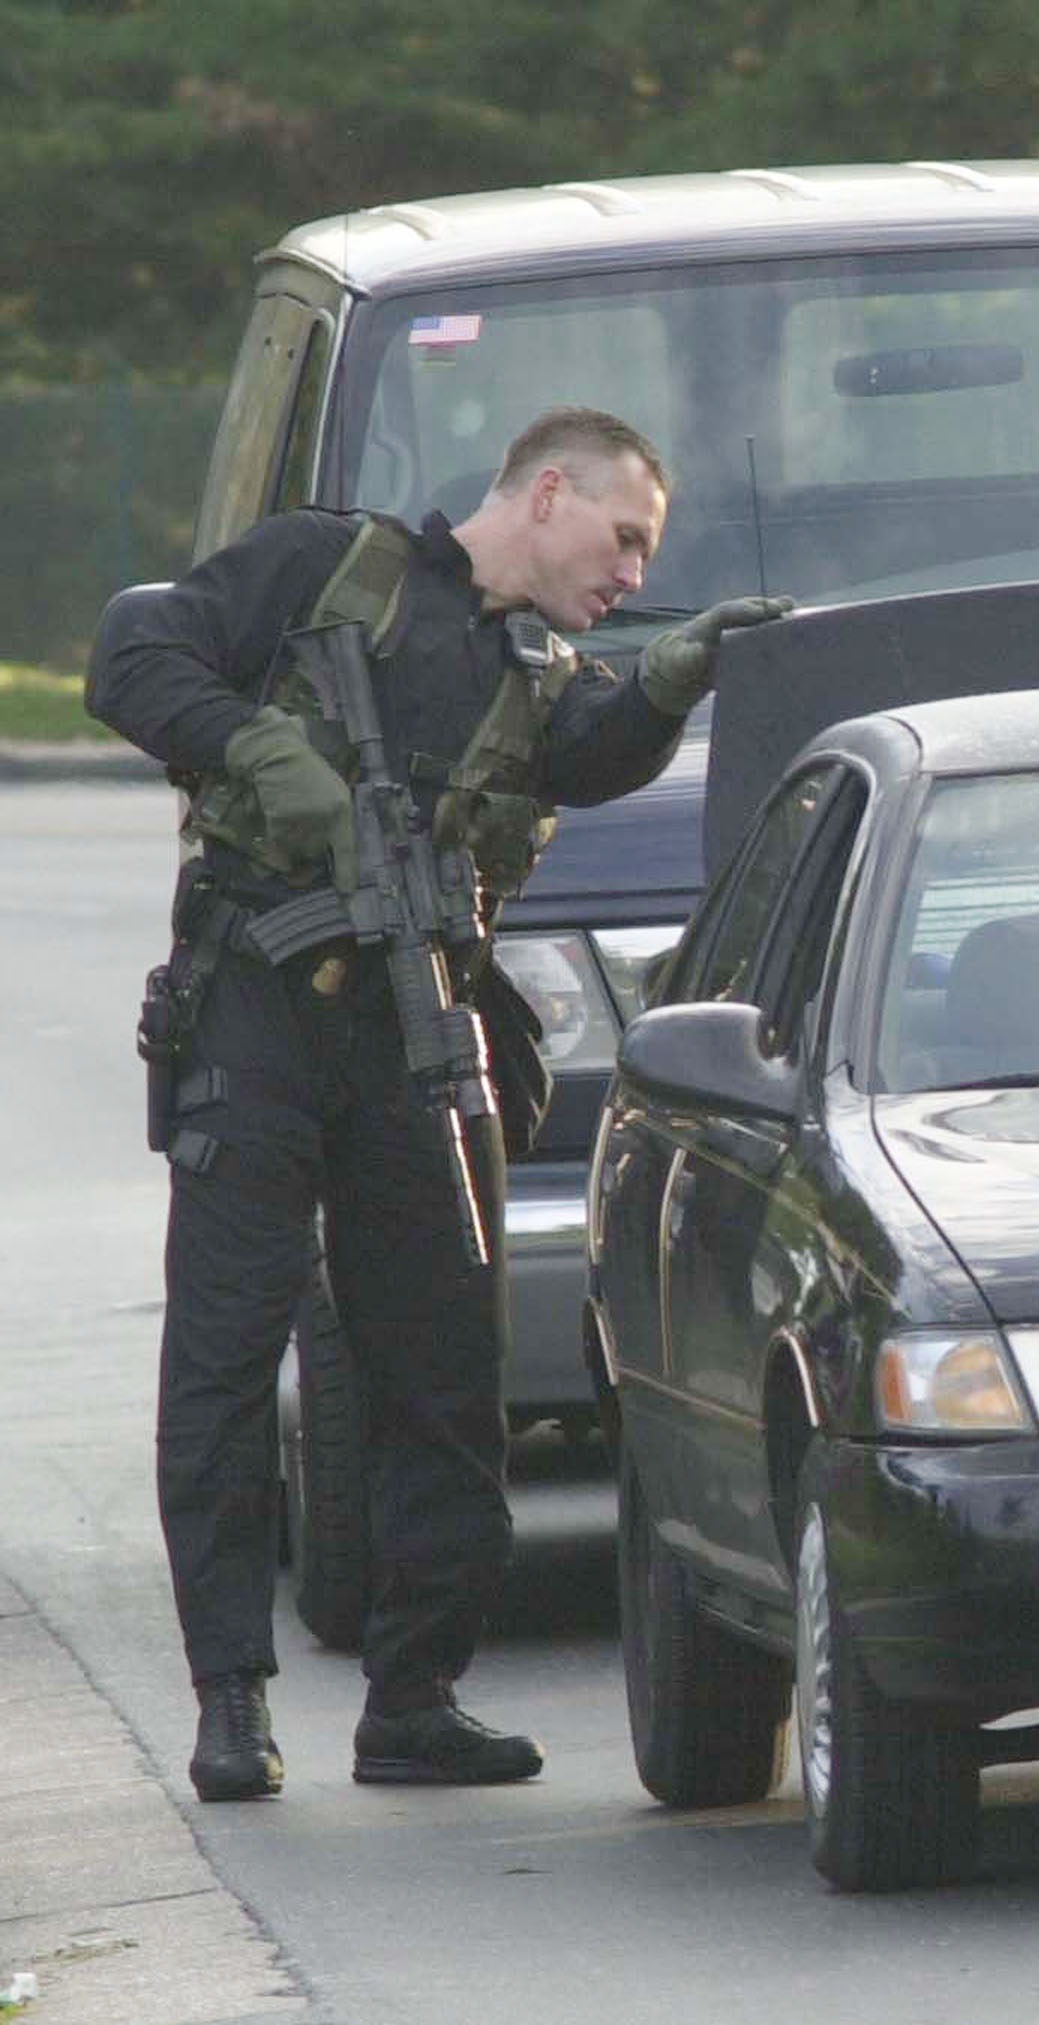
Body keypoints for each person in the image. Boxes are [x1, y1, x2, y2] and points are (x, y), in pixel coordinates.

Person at [89, 407, 792, 1802]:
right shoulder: (323, 567)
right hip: (260, 1015)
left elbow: (590, 753)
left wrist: (671, 680)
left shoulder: (536, 663)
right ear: (546, 495)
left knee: (445, 1372)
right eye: (624, 536)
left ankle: (414, 1700)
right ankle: (231, 1699)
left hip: (415, 1032)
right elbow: (132, 654)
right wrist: (251, 751)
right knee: (225, 1363)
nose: (631, 569)